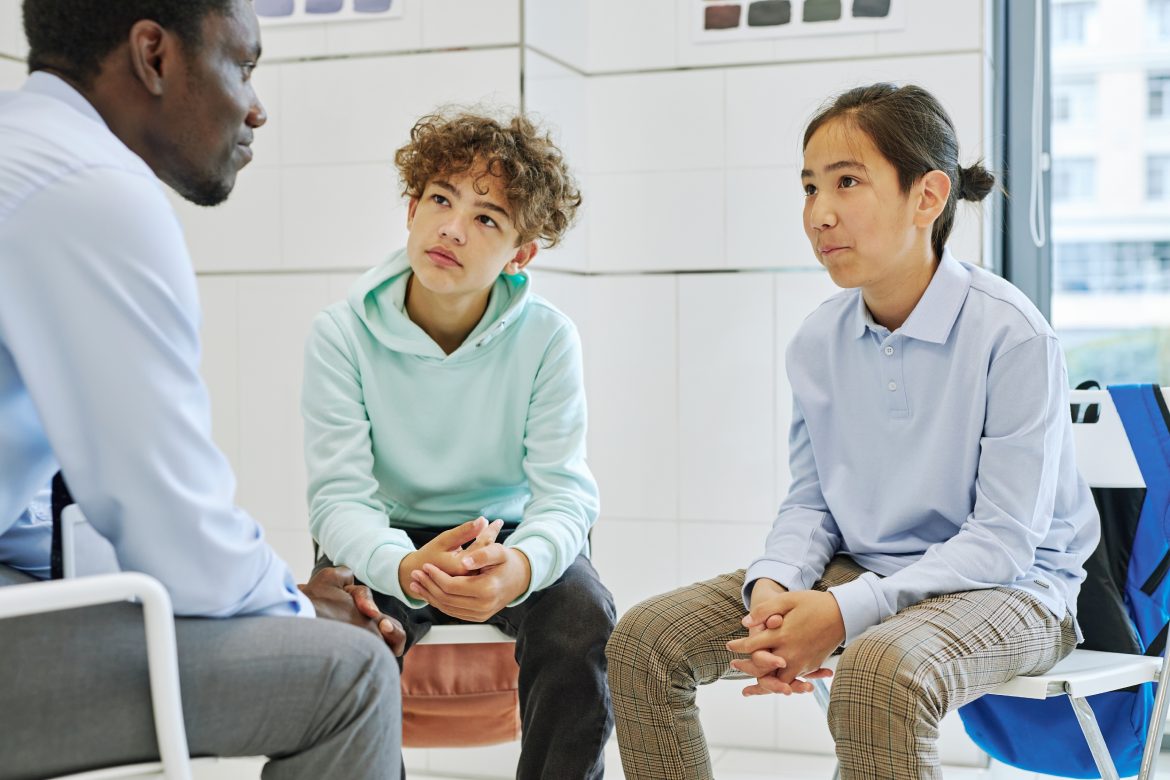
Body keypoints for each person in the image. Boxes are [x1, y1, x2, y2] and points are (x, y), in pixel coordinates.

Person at [605, 83, 1100, 780]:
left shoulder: (1012, 335)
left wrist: (841, 612)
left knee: (879, 670)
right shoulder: (817, 341)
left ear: (927, 197)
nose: (820, 213)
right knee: (646, 642)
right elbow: (813, 502)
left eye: (846, 182)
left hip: (1017, 590)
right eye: (809, 187)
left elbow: (1004, 542)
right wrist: (774, 589)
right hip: (868, 568)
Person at [0, 1, 404, 777]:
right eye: (242, 65)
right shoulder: (92, 190)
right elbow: (170, 525)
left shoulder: (22, 147)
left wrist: (259, 588)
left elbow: (26, 516)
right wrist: (294, 606)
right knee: (348, 677)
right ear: (154, 54)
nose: (256, 106)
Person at [302, 109, 615, 779]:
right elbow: (337, 500)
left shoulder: (549, 338)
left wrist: (521, 567)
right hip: (381, 532)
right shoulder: (340, 335)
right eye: (441, 200)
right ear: (412, 209)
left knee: (582, 622)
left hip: (509, 532)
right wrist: (403, 566)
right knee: (339, 638)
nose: (452, 227)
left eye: (487, 218)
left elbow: (566, 495)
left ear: (520, 255)